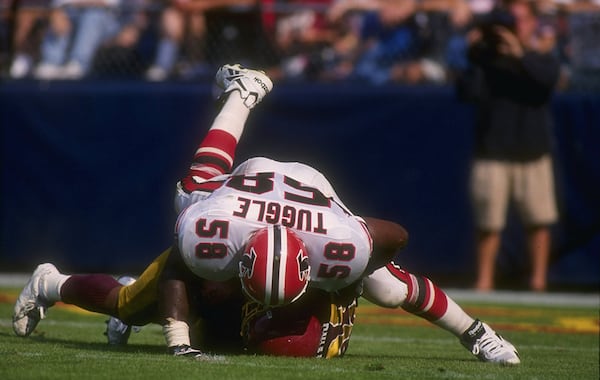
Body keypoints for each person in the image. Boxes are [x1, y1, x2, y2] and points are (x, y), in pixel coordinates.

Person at [13, 64, 520, 365]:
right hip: (239, 194)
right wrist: (177, 343)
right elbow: (176, 268)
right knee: (155, 262)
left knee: (387, 286)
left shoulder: (340, 247)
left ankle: (478, 334)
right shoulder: (212, 235)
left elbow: (395, 235)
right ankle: (50, 283)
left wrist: (359, 267)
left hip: (316, 202)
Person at [456, 0, 561, 292]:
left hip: (533, 151)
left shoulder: (539, 57)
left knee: (538, 220)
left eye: (519, 21)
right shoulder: (486, 61)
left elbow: (545, 83)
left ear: (531, 24)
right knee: (488, 223)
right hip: (492, 151)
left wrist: (519, 54)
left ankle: (538, 281)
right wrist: (475, 54)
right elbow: (467, 92)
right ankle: (485, 280)